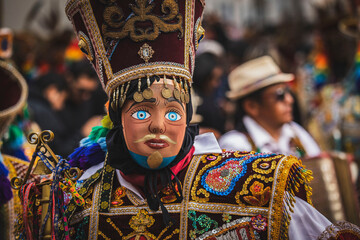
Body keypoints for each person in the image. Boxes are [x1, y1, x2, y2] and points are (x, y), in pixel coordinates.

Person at [13, 1, 360, 239]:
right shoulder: (70, 203)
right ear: (115, 118)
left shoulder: (252, 190)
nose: (159, 125)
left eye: (174, 112)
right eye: (141, 112)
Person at [219, 56, 321, 159]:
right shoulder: (235, 146)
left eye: (288, 92)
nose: (290, 100)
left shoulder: (296, 132)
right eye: (280, 95)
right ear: (252, 106)